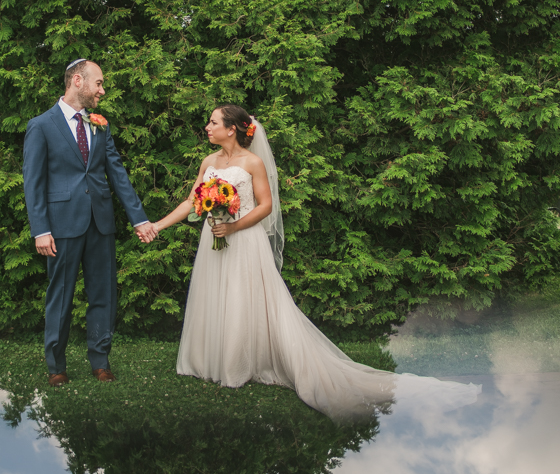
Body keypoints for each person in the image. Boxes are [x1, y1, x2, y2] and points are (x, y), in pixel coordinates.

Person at [152, 105, 479, 422]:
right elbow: (193, 201)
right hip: (214, 241)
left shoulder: (252, 162)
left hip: (243, 242)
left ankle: (238, 365)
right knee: (216, 298)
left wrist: (234, 226)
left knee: (241, 299)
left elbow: (265, 206)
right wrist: (158, 225)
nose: (207, 128)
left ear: (231, 128)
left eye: (212, 123)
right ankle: (210, 361)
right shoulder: (209, 161)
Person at [23, 58, 156, 386]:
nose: (103, 90)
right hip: (62, 223)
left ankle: (100, 360)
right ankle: (56, 366)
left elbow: (117, 173)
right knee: (61, 295)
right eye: (98, 83)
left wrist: (138, 219)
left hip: (101, 222)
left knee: (103, 294)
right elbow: (33, 182)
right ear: (77, 81)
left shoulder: (99, 124)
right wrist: (40, 229)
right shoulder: (41, 125)